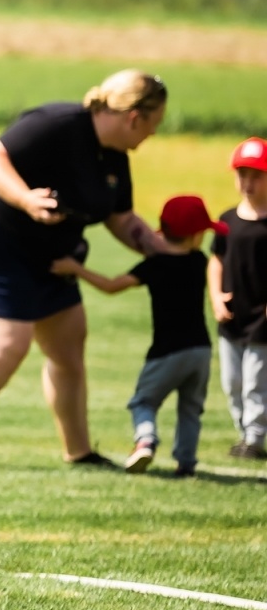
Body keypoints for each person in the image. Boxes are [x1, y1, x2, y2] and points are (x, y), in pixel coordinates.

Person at [0, 69, 174, 468]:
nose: (153, 134)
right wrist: (26, 199)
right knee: (4, 344)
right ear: (133, 117)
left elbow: (121, 220)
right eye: (154, 124)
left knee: (68, 342)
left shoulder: (115, 159)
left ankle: (80, 452)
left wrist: (162, 248)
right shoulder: (58, 123)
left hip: (51, 252)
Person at [50, 195, 226, 477]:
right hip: (201, 351)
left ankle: (145, 440)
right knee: (190, 409)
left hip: (167, 351)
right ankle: (186, 463)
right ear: (195, 235)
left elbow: (110, 286)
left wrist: (76, 269)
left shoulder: (154, 266)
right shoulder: (198, 260)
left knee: (143, 402)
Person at [209, 138, 267, 461]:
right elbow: (216, 260)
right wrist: (216, 295)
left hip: (262, 318)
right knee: (232, 381)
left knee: (255, 381)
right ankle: (244, 431)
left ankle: (255, 438)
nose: (248, 182)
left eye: (256, 175)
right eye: (242, 174)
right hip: (232, 315)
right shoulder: (227, 220)